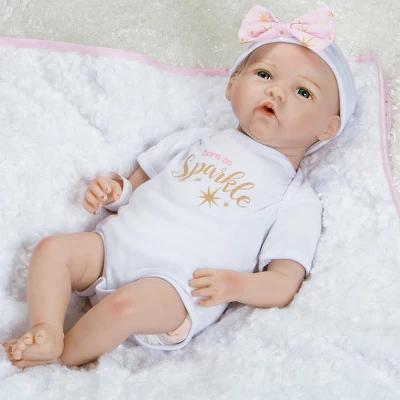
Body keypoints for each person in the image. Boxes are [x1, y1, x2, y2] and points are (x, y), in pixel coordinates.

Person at [3, 5, 356, 368]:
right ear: (232, 84)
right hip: (114, 245)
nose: (277, 91)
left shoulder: (296, 197)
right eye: (264, 74)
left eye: (303, 92)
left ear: (328, 128)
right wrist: (114, 191)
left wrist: (236, 286)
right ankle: (46, 330)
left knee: (124, 308)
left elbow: (283, 282)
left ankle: (59, 362)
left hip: (175, 287)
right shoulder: (196, 139)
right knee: (52, 250)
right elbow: (136, 187)